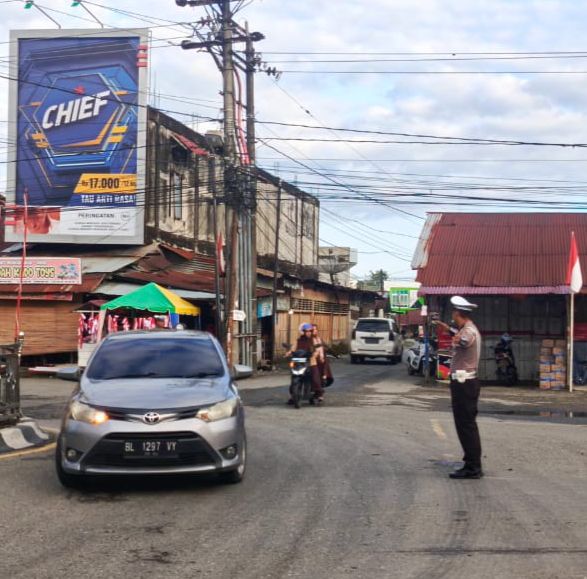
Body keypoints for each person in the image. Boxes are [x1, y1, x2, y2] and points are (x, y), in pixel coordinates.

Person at [434, 296, 483, 479]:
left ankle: (473, 467)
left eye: (454, 312)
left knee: (466, 425)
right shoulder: (465, 329)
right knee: (464, 424)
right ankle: (471, 463)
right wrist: (449, 329)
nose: (453, 315)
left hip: (465, 383)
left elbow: (464, 341)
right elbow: (460, 337)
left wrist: (452, 334)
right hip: (464, 383)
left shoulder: (468, 331)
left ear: (458, 313)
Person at [287, 323, 324, 404]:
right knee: (294, 376)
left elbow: (317, 349)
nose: (308, 333)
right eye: (306, 331)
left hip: (310, 362)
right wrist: (289, 353)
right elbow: (293, 348)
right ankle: (293, 396)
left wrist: (315, 354)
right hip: (299, 362)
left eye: (310, 331)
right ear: (303, 332)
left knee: (315, 378)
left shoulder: (313, 340)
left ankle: (318, 394)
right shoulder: (298, 340)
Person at [312, 324, 334, 391]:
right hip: (313, 360)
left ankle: (320, 390)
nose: (314, 331)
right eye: (313, 330)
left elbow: (326, 347)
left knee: (322, 373)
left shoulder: (320, 339)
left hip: (321, 360)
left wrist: (332, 352)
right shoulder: (308, 340)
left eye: (316, 329)